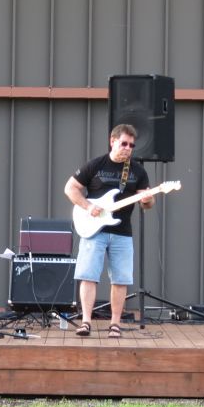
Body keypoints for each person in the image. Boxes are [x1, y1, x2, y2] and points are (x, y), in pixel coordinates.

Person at [63, 124, 154, 339]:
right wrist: (88, 207)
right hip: (93, 230)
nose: (128, 148)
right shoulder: (96, 165)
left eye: (131, 145)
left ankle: (115, 324)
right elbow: (70, 188)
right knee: (88, 276)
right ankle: (85, 321)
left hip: (122, 231)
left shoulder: (137, 171)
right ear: (112, 141)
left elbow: (146, 204)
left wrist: (149, 200)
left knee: (120, 279)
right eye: (124, 143)